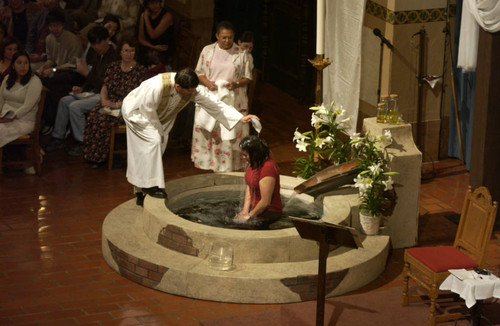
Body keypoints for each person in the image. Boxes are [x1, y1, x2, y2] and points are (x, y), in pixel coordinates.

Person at [121, 68, 259, 205]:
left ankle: (140, 192)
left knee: (153, 149)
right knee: (153, 142)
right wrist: (158, 131)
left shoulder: (192, 89)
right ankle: (151, 185)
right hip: (137, 114)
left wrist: (239, 117)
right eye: (188, 90)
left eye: (193, 89)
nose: (191, 93)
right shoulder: (157, 87)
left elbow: (214, 104)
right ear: (177, 86)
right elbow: (147, 110)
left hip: (159, 117)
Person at [44, 26, 118, 155]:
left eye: (98, 43)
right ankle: (58, 136)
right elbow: (92, 78)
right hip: (94, 91)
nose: (95, 46)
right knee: (64, 101)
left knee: (75, 106)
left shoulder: (113, 57)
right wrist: (82, 88)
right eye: (93, 43)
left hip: (107, 95)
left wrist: (86, 73)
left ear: (107, 40)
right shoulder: (98, 55)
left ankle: (83, 141)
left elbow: (108, 85)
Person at [191, 20, 253, 172]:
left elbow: (247, 77)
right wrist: (208, 83)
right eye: (224, 37)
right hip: (211, 97)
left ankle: (228, 165)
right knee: (211, 130)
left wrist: (236, 84)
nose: (227, 41)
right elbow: (199, 72)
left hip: (232, 100)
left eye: (230, 37)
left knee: (229, 132)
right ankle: (210, 163)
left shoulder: (241, 54)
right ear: (217, 36)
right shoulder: (207, 51)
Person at [82, 37, 148, 168]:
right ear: (120, 52)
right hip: (110, 103)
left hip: (127, 107)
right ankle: (91, 156)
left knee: (103, 120)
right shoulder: (113, 67)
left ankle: (102, 157)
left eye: (132, 51)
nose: (129, 54)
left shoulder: (140, 71)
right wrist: (104, 100)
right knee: (92, 117)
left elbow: (139, 97)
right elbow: (105, 87)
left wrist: (118, 105)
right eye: (126, 50)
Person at [0, 51, 43, 174]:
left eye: (25, 63)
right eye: (19, 63)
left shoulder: (34, 81)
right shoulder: (8, 78)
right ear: (13, 65)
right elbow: (0, 99)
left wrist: (11, 117)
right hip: (4, 116)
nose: (23, 66)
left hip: (23, 119)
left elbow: (28, 106)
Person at [234, 136, 282, 229]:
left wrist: (249, 216)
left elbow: (265, 202)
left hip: (269, 211)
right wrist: (245, 210)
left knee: (240, 228)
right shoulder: (254, 163)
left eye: (245, 155)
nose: (243, 158)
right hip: (255, 208)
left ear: (254, 153)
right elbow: (250, 186)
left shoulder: (268, 168)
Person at [25, 0, 75, 65]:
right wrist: (28, 52)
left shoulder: (66, 18)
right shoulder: (39, 15)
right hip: (35, 53)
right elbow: (31, 36)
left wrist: (42, 57)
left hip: (52, 61)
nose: (50, 1)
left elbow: (61, 51)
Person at [137, 0, 174, 68]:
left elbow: (153, 35)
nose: (155, 5)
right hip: (150, 47)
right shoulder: (144, 15)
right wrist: (153, 46)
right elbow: (141, 38)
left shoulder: (167, 16)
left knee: (150, 56)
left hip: (163, 49)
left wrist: (146, 18)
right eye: (152, 3)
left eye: (157, 2)